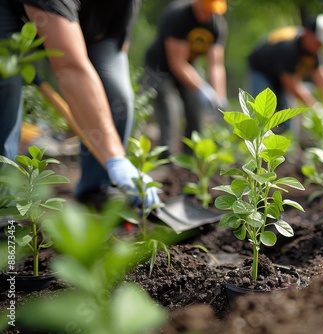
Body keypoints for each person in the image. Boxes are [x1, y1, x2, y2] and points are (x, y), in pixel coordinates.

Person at [0, 0, 159, 209]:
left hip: (83, 25)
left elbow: (117, 44)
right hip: (11, 9)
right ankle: (4, 202)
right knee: (5, 82)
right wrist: (116, 158)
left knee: (117, 95)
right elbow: (69, 68)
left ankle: (99, 188)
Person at [144, 0, 228, 154]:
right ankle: (165, 157)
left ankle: (189, 159)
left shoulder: (217, 24)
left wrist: (218, 96)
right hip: (160, 68)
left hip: (188, 66)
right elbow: (177, 63)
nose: (210, 14)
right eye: (206, 9)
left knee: (194, 110)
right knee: (170, 109)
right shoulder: (178, 16)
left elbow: (216, 65)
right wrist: (203, 89)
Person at [247, 14, 323, 129]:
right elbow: (291, 85)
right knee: (261, 115)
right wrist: (315, 106)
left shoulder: (314, 51)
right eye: (318, 42)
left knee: (286, 120)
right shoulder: (288, 46)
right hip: (261, 71)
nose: (320, 47)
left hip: (283, 76)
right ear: (308, 34)